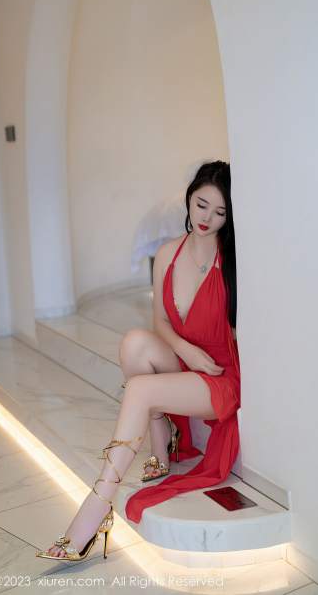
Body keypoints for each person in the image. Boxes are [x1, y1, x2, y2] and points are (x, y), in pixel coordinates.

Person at [36, 160, 240, 561]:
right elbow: (160, 322)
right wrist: (185, 350)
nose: (207, 218)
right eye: (201, 205)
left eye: (220, 212)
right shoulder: (167, 253)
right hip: (188, 360)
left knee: (141, 389)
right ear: (189, 198)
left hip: (218, 376)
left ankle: (98, 504)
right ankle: (161, 447)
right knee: (133, 343)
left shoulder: (232, 260)